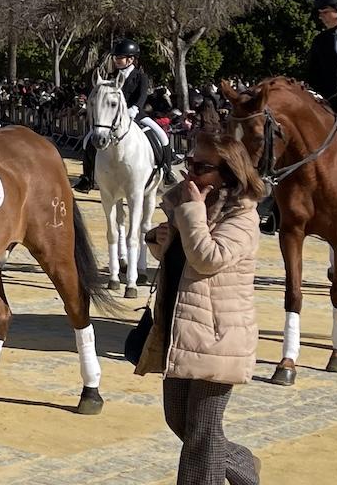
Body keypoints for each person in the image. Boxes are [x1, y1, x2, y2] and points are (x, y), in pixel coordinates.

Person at [135, 133, 263, 485]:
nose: (190, 173)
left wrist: (189, 212)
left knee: (201, 434)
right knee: (179, 421)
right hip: (181, 328)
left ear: (228, 173)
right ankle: (242, 464)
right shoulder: (192, 204)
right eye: (189, 163)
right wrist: (162, 241)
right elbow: (184, 260)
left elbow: (209, 258)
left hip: (218, 335)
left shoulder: (243, 215)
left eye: (202, 167)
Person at [73, 39, 171, 194]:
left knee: (161, 136)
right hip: (114, 118)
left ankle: (166, 171)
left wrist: (134, 109)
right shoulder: (112, 77)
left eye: (120, 58)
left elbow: (142, 96)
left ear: (130, 59)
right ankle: (87, 178)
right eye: (116, 58)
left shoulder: (141, 77)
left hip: (137, 114)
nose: (117, 61)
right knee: (87, 141)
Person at [307, 0, 337, 108]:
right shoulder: (320, 41)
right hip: (328, 113)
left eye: (325, 12)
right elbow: (313, 77)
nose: (320, 17)